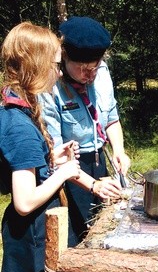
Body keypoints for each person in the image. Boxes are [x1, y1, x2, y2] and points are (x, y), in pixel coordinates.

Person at [0, 22, 81, 272]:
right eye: (53, 64)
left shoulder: (21, 108)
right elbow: (24, 200)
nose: (58, 71)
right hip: (29, 234)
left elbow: (29, 172)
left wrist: (53, 161)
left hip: (33, 232)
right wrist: (64, 175)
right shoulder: (18, 124)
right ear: (33, 66)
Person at [41, 16, 130, 245]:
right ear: (64, 58)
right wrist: (93, 185)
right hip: (69, 173)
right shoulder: (50, 87)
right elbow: (56, 155)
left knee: (104, 230)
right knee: (74, 239)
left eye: (95, 68)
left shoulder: (101, 73)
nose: (90, 75)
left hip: (98, 160)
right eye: (82, 69)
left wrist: (119, 150)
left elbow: (111, 118)